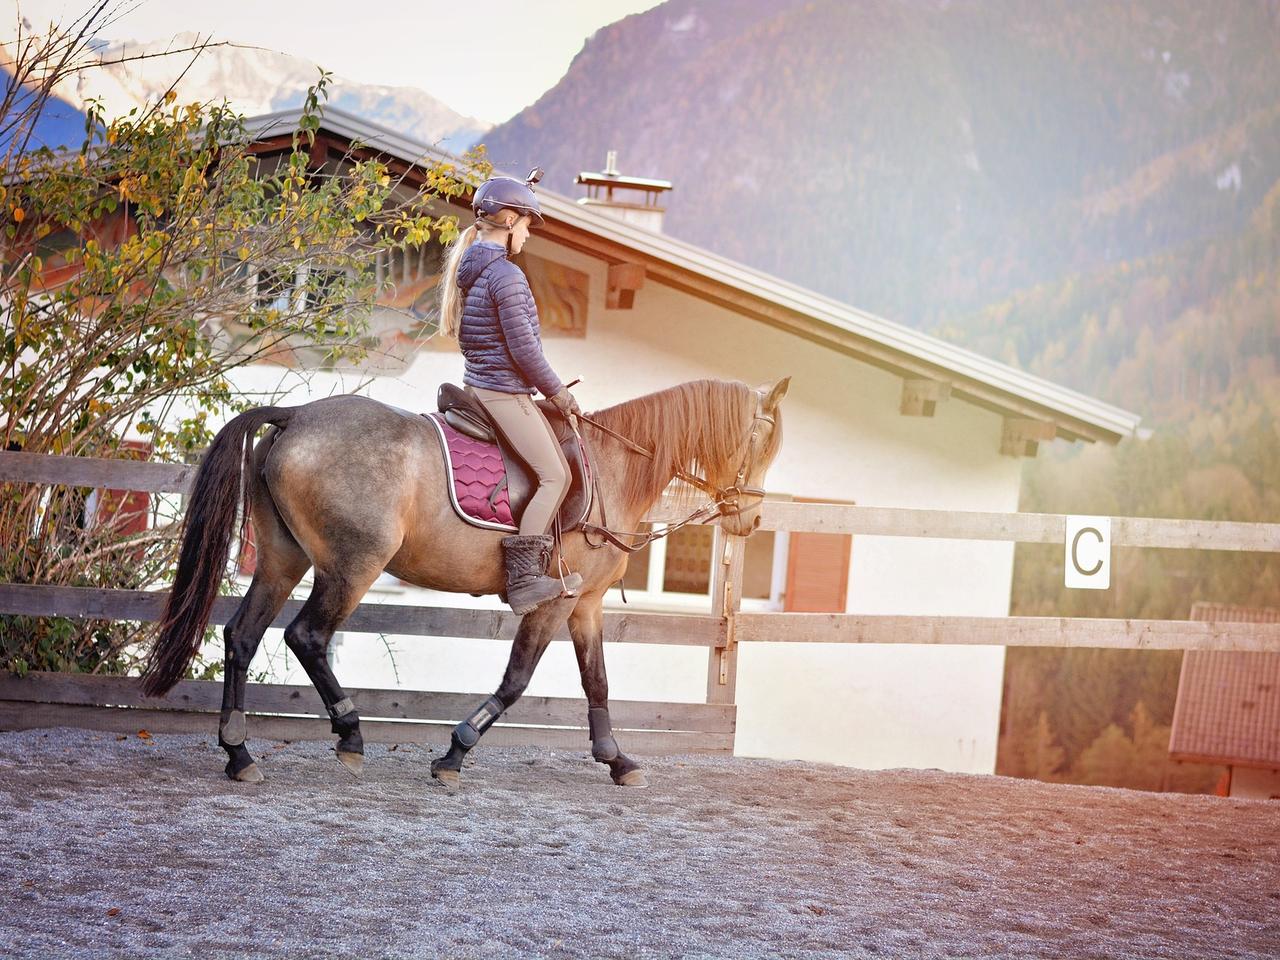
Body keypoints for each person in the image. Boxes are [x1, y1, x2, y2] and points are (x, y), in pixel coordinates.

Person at [438, 170, 584, 615]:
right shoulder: (507, 276)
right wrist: (560, 395)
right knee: (556, 476)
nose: (526, 234)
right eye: (525, 224)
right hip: (502, 391)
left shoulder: (474, 270)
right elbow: (524, 350)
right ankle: (524, 579)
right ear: (506, 220)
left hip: (478, 385)